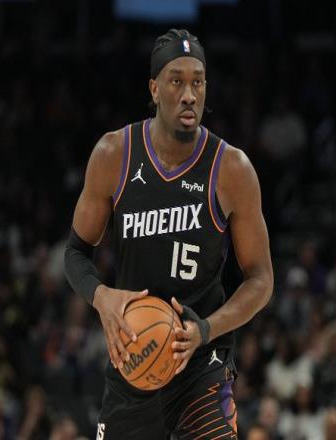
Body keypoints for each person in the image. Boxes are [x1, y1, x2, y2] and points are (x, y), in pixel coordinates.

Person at [64, 28, 273, 439]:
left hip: (201, 362)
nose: (189, 94)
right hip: (133, 358)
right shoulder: (114, 154)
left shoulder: (231, 169)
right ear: (154, 89)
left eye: (198, 82)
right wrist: (101, 297)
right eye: (176, 81)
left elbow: (261, 279)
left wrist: (206, 329)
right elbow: (75, 252)